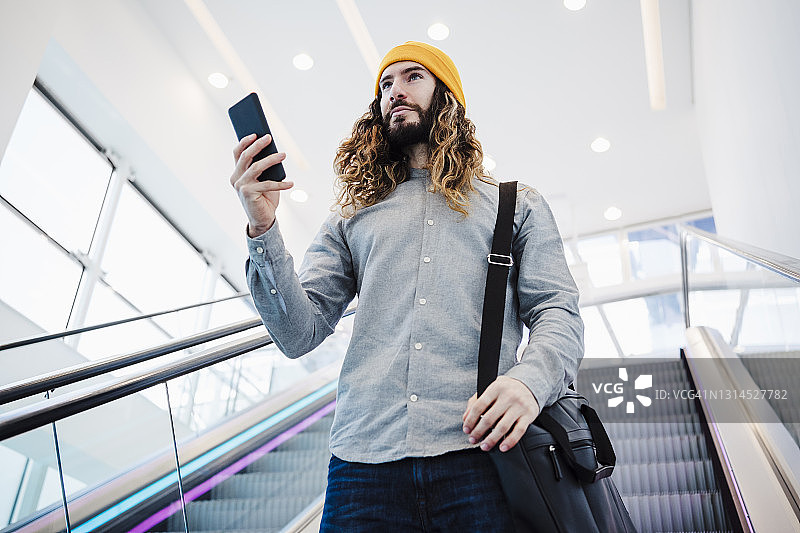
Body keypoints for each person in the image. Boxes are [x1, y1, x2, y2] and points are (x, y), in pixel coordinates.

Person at [230, 41, 584, 531]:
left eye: (412, 77)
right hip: (362, 468)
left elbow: (557, 311)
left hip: (481, 456)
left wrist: (530, 382)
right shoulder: (351, 215)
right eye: (385, 84)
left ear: (449, 98)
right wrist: (262, 228)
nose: (395, 91)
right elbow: (298, 334)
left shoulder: (515, 204)